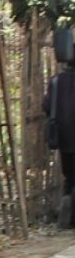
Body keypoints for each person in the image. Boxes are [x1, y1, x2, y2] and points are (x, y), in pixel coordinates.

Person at [43, 61, 75, 203]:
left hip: (64, 139)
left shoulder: (56, 81)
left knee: (69, 176)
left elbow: (46, 106)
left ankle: (67, 204)